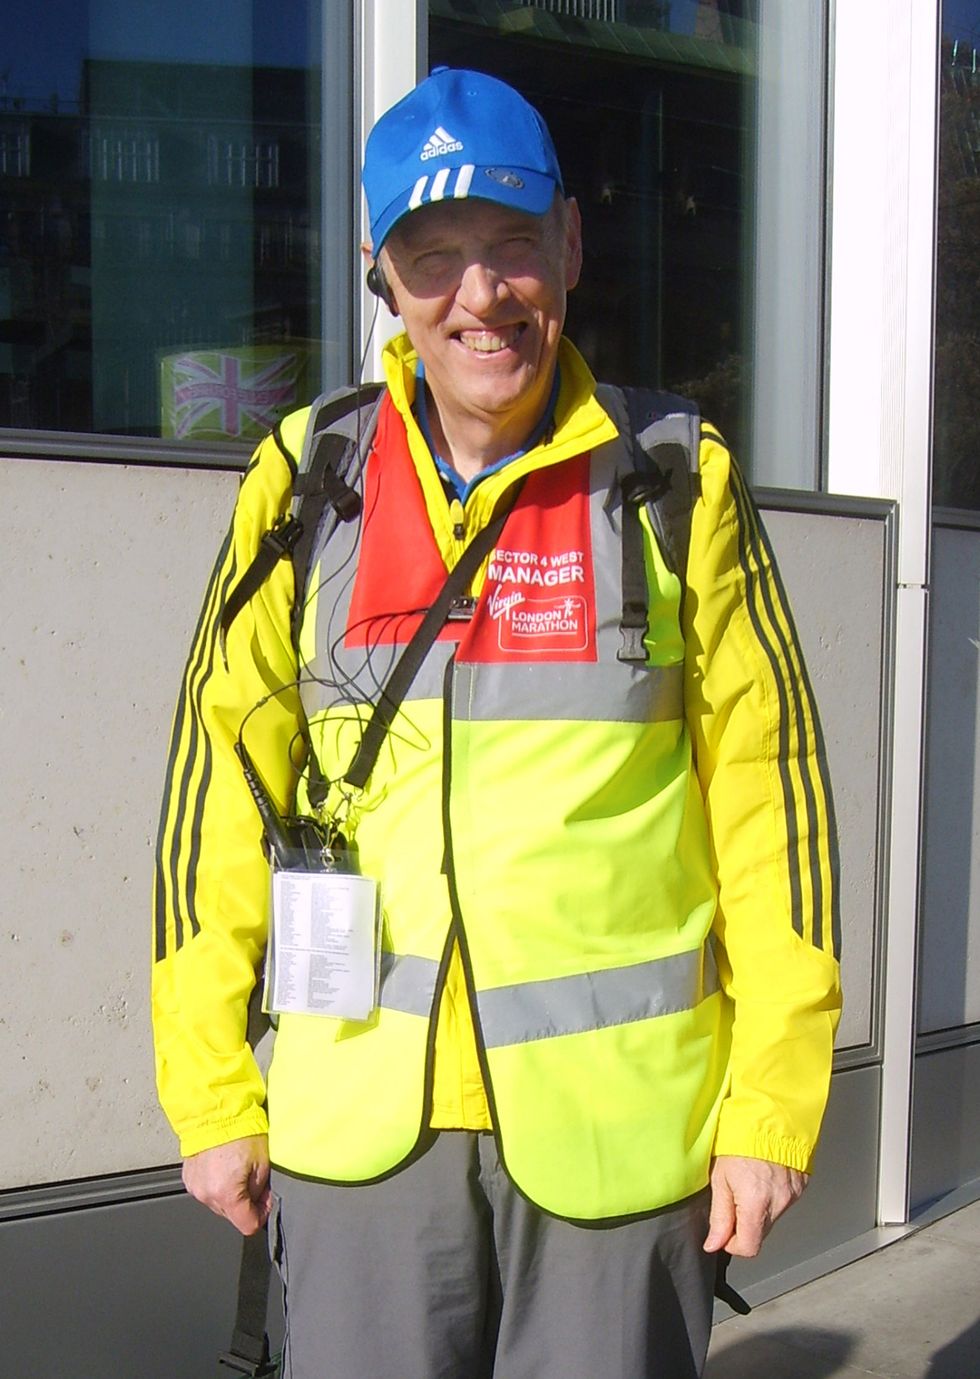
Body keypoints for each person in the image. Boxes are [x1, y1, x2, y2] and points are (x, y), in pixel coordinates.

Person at [153, 67, 842, 1379]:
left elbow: (774, 800)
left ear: (572, 247)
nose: (481, 296)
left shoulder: (673, 480)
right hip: (363, 1135)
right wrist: (210, 1090)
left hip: (616, 1147)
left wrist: (773, 1101)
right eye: (435, 259)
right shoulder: (310, 481)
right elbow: (217, 793)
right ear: (384, 277)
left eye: (514, 245)